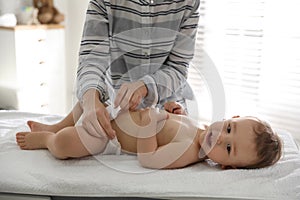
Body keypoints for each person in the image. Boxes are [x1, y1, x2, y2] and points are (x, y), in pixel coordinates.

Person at [16, 102, 282, 169]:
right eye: (228, 129)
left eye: (227, 149)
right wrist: (175, 109)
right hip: (116, 114)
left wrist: (148, 128)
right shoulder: (200, 127)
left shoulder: (189, 152)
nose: (220, 138)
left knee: (67, 144)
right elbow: (174, 123)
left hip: (112, 138)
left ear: (225, 165)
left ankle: (49, 139)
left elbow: (148, 158)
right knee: (85, 105)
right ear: (230, 118)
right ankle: (54, 125)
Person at [77, 0, 200, 140]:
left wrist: (146, 86)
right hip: (117, 106)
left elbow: (178, 68)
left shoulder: (189, 3)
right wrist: (90, 100)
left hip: (168, 108)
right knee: (81, 114)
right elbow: (92, 60)